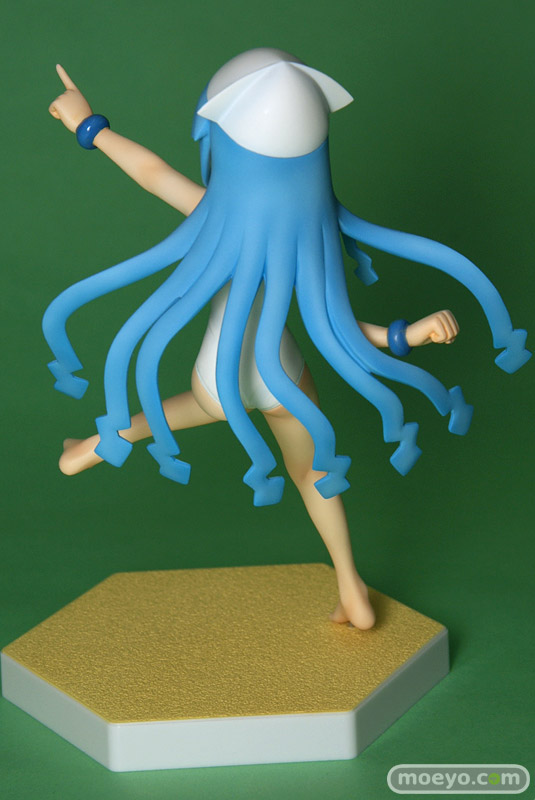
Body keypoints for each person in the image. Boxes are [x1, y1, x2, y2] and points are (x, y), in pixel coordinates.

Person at [46, 50, 528, 630]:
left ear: (217, 142)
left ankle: (92, 447)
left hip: (222, 373)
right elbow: (339, 324)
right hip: (286, 377)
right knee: (313, 474)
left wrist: (87, 125)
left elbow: (151, 172)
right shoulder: (304, 237)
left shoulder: (211, 214)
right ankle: (351, 588)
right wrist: (408, 335)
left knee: (190, 408)